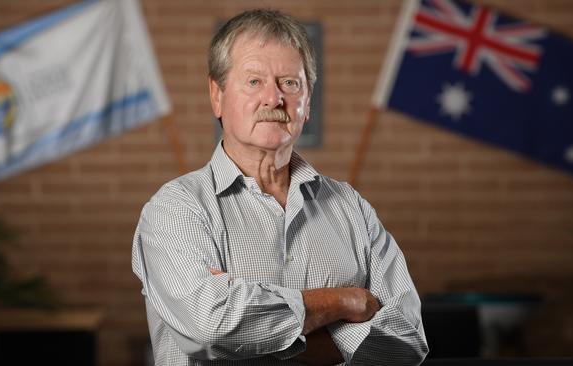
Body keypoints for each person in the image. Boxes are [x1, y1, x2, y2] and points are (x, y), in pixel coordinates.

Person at [132, 8, 428, 366]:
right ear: (217, 95)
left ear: (307, 102)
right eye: (254, 81)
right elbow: (213, 324)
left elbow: (408, 340)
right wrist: (344, 303)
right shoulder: (175, 209)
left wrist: (256, 331)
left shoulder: (352, 207)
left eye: (290, 82)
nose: (274, 99)